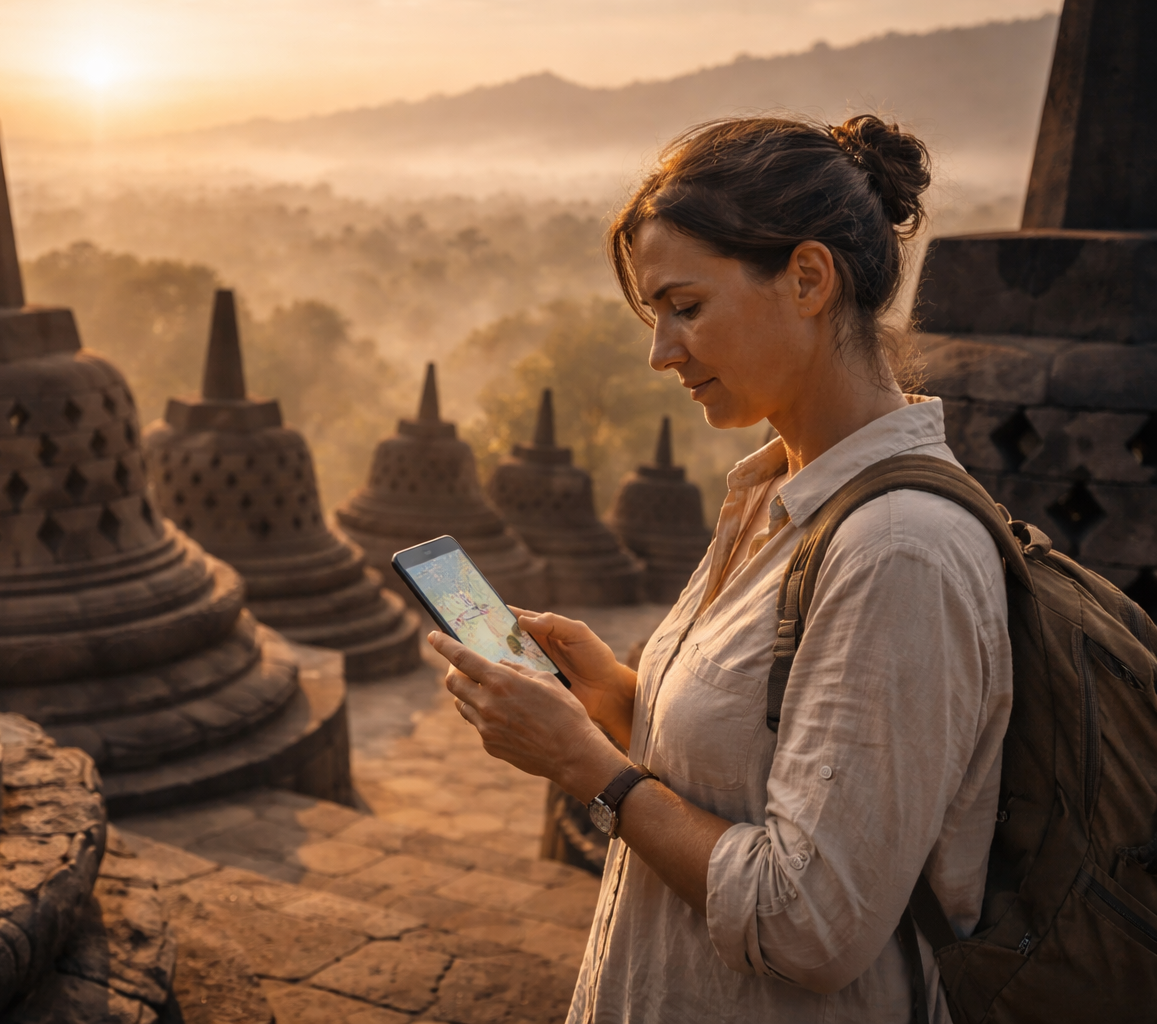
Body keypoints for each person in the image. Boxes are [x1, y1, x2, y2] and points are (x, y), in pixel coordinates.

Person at [429, 115, 1011, 1023]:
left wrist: (588, 768)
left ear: (808, 278)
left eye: (687, 307)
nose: (661, 351)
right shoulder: (775, 493)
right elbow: (758, 766)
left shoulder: (899, 552)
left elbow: (809, 922)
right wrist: (619, 702)